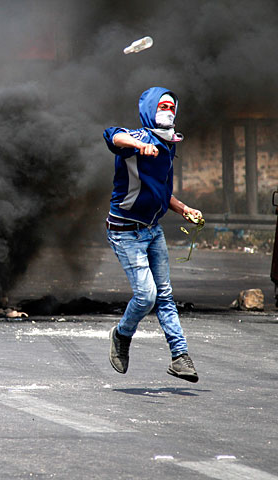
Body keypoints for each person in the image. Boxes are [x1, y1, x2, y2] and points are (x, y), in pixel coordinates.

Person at [103, 86, 201, 383]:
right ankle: (121, 335)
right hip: (125, 231)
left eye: (172, 107)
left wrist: (183, 208)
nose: (168, 112)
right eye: (163, 106)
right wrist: (136, 144)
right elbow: (111, 134)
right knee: (146, 296)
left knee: (165, 295)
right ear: (148, 109)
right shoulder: (137, 138)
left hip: (152, 230)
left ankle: (180, 356)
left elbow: (162, 192)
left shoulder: (169, 145)